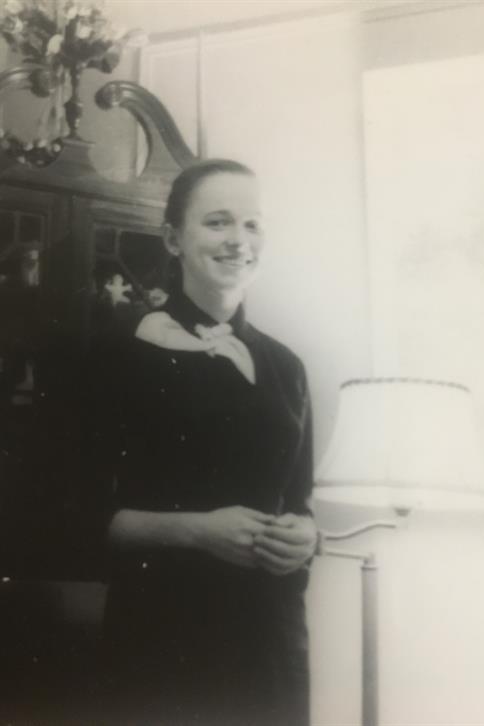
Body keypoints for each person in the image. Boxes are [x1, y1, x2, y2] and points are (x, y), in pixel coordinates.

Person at [85, 159, 318, 725]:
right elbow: (76, 517)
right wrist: (196, 530)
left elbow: (300, 503)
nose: (239, 240)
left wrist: (307, 537)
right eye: (218, 222)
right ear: (173, 239)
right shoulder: (115, 356)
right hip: (160, 638)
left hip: (268, 643)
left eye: (252, 224)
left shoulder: (287, 367)